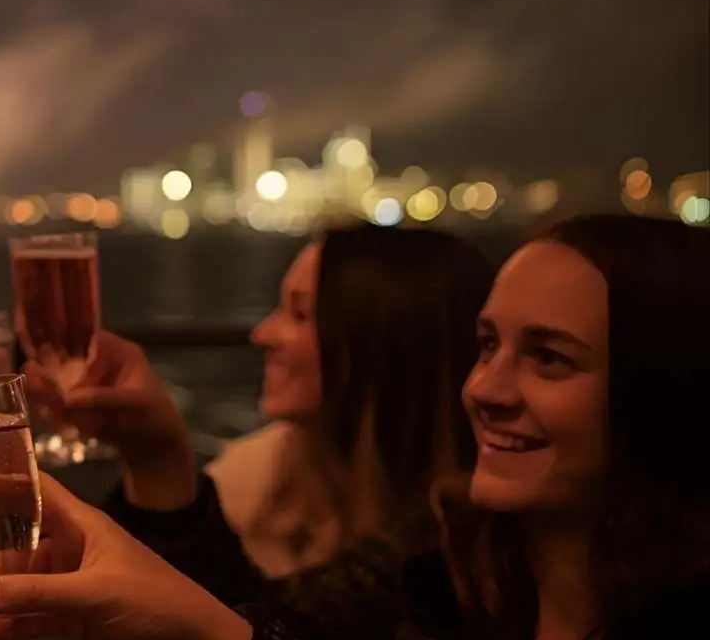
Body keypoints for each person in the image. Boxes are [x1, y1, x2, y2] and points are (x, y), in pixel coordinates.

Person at [0, 215, 710, 640]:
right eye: (486, 346)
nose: (483, 389)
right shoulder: (450, 559)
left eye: (547, 358)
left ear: (660, 396)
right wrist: (160, 458)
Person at [31, 223, 493, 577]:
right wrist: (154, 453)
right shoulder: (262, 479)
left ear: (384, 347)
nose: (261, 334)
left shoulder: (460, 564)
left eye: (298, 313)